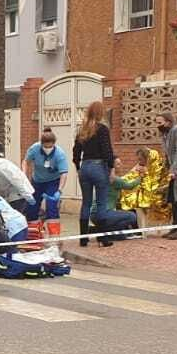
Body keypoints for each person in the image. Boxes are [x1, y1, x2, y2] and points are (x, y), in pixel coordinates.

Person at [72, 100, 116, 249]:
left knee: (86, 203)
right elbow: (107, 150)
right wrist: (111, 167)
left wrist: (78, 166)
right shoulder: (102, 129)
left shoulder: (82, 130)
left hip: (85, 166)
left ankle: (83, 239)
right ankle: (103, 239)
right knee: (101, 203)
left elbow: (76, 151)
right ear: (101, 113)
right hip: (99, 166)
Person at [23, 129, 69, 240]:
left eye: (50, 147)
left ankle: (54, 239)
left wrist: (59, 190)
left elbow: (64, 173)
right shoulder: (34, 149)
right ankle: (34, 237)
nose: (48, 149)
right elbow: (25, 161)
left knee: (52, 207)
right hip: (37, 181)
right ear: (41, 144)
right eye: (45, 146)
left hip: (53, 182)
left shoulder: (59, 154)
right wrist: (24, 175)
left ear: (54, 144)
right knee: (31, 208)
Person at [116, 146, 170, 228]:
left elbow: (155, 183)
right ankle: (131, 225)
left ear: (147, 158)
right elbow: (130, 176)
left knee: (131, 199)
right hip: (143, 191)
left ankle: (136, 227)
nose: (139, 161)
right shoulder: (140, 166)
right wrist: (119, 181)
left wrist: (145, 175)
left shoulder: (157, 167)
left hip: (156, 194)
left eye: (140, 159)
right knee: (123, 195)